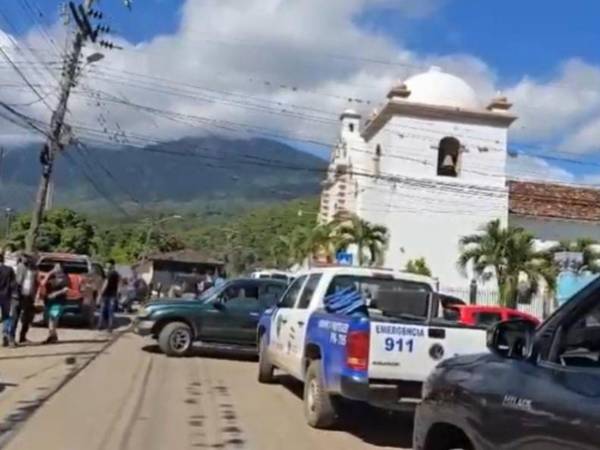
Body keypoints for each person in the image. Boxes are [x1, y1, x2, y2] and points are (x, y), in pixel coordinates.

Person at [11, 254, 37, 344]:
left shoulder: (34, 270)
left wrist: (34, 296)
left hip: (29, 296)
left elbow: (35, 284)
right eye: (24, 258)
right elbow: (17, 281)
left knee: (27, 318)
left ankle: (23, 337)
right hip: (18, 296)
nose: (25, 260)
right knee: (15, 318)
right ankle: (11, 338)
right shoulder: (20, 267)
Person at [41, 263, 69, 344]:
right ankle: (53, 335)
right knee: (51, 318)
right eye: (55, 266)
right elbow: (42, 283)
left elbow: (66, 289)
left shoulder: (65, 278)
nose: (56, 268)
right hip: (49, 301)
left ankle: (52, 336)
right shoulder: (51, 276)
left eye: (58, 267)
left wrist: (55, 294)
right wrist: (49, 273)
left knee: (53, 318)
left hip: (58, 302)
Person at [0, 254, 17, 347]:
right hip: (6, 296)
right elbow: (13, 283)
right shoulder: (9, 269)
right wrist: (14, 294)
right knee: (7, 316)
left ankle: (6, 335)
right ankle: (6, 333)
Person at [98, 259, 120, 332]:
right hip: (113, 295)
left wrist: (100, 293)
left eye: (108, 264)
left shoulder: (109, 273)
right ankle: (110, 327)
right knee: (111, 311)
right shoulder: (116, 274)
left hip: (106, 294)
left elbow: (106, 283)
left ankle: (100, 326)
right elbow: (119, 284)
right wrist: (117, 293)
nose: (107, 265)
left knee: (102, 310)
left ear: (112, 265)